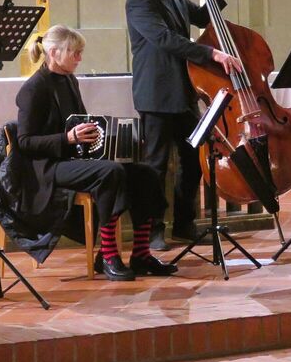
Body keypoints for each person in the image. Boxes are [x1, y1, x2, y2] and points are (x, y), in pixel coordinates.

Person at [15, 25, 176, 280]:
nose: (79, 58)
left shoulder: (69, 80)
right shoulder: (34, 88)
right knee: (109, 173)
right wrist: (66, 138)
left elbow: (78, 120)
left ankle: (141, 254)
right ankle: (109, 255)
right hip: (48, 167)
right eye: (75, 53)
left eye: (80, 53)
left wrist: (115, 140)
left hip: (74, 158)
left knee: (145, 172)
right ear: (54, 52)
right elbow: (25, 142)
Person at [125, 0, 243, 250]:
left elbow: (204, 20)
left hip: (183, 90)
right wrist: (213, 55)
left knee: (193, 159)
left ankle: (184, 223)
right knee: (156, 166)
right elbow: (166, 40)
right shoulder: (139, 1)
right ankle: (152, 230)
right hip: (156, 94)